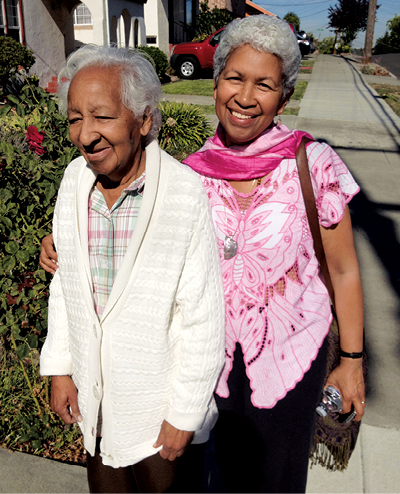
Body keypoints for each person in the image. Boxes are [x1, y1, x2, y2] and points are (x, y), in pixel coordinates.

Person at [41, 16, 366, 493]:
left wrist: (352, 360)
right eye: (234, 78)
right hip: (202, 370)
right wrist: (63, 245)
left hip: (287, 362)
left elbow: (344, 268)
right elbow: (132, 246)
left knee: (275, 481)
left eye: (265, 84)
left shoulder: (313, 165)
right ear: (216, 84)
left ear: (285, 96)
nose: (245, 96)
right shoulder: (191, 175)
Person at [38, 45, 225, 494]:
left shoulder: (183, 194)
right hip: (97, 405)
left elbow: (202, 317)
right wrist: (61, 367)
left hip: (157, 411)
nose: (86, 136)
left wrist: (184, 413)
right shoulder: (74, 181)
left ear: (143, 120)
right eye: (74, 118)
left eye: (102, 116)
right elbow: (65, 285)